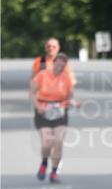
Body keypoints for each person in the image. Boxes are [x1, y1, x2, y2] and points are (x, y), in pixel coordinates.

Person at [30, 52, 78, 182]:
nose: (60, 66)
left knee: (58, 142)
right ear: (54, 63)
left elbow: (71, 96)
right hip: (43, 111)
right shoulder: (42, 75)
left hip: (60, 112)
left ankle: (54, 172)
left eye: (63, 64)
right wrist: (38, 106)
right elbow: (32, 93)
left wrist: (74, 102)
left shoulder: (66, 78)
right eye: (58, 63)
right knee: (47, 142)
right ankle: (44, 162)